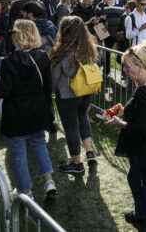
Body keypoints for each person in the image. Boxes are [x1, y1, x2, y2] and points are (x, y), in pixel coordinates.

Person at [105, 43, 146, 232]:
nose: (125, 71)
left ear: (140, 66)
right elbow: (143, 115)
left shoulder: (143, 92)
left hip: (144, 149)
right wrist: (125, 110)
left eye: (128, 67)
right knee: (134, 178)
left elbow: (140, 128)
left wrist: (119, 123)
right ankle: (141, 215)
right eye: (124, 67)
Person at [0, 19, 57, 198]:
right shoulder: (43, 56)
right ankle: (49, 181)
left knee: (18, 153)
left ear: (17, 35)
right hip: (37, 111)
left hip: (16, 114)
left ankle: (26, 190)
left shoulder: (8, 62)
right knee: (39, 145)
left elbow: (3, 91)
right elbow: (48, 86)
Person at [50, 16, 99, 174]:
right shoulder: (89, 48)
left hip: (67, 95)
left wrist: (50, 91)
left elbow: (54, 77)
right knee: (83, 118)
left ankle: (77, 163)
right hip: (86, 91)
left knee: (71, 127)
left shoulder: (62, 52)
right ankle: (90, 152)